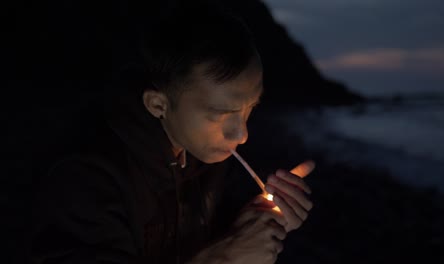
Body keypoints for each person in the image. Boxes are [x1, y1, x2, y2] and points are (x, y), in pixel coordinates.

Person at [30, 4, 314, 264]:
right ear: (158, 104)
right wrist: (220, 259)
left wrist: (255, 223)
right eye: (220, 114)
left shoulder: (201, 155)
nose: (242, 134)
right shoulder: (84, 179)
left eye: (250, 108)